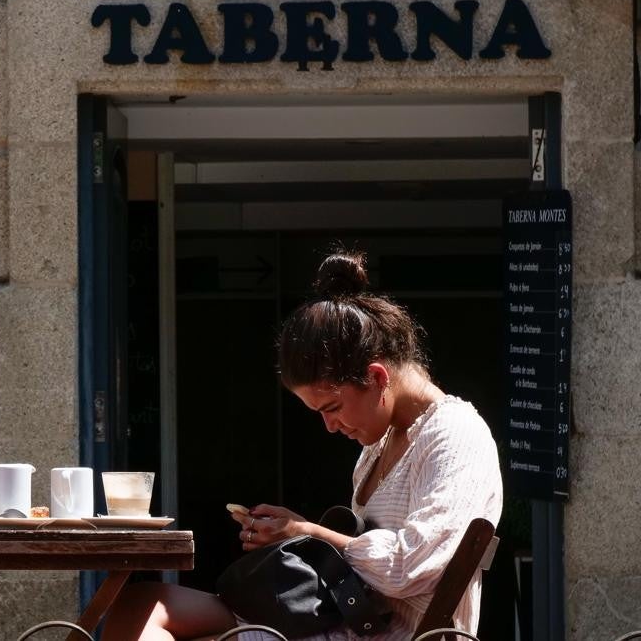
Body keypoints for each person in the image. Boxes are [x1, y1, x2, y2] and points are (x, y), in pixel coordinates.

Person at [102, 251, 503, 641]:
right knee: (139, 603)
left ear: (378, 376)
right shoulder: (379, 445)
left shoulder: (455, 436)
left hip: (381, 633)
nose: (329, 426)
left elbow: (409, 568)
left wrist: (308, 531)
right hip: (337, 617)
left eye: (332, 407)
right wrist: (296, 531)